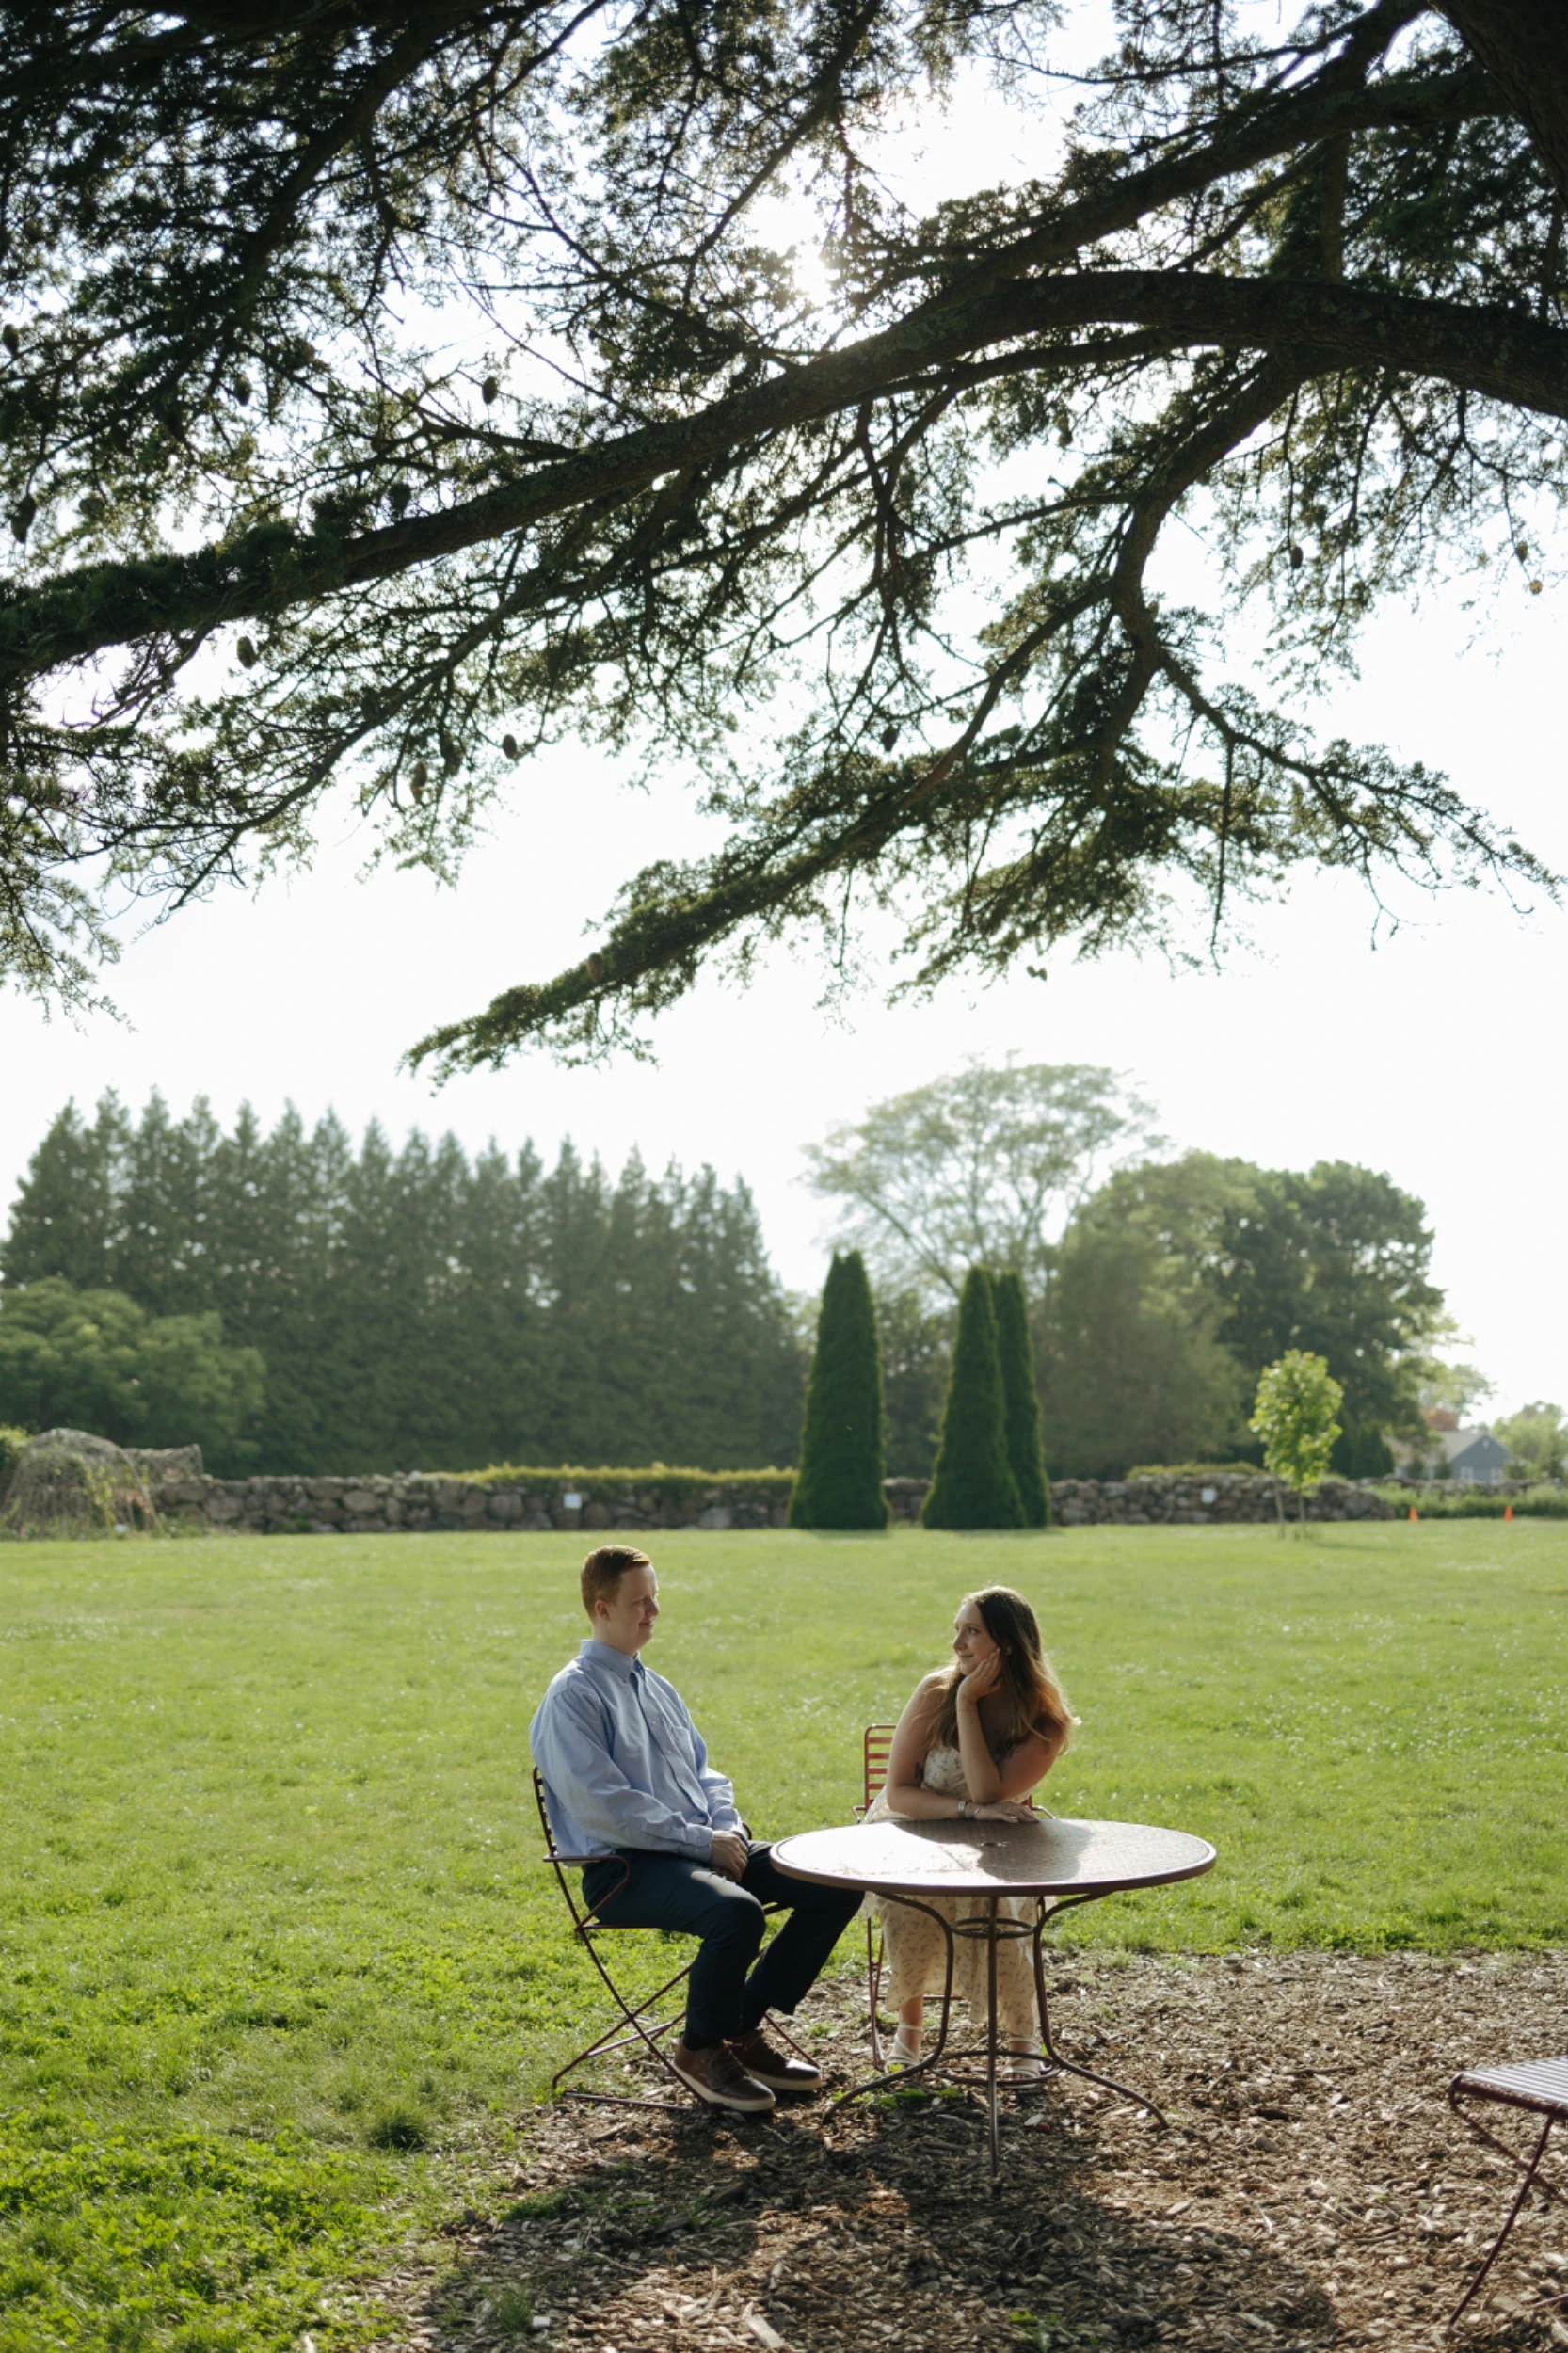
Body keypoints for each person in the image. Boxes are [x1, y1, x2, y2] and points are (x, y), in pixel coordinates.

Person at [530, 1545, 863, 2115]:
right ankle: (699, 2049)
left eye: (656, 1599)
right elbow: (604, 1809)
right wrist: (701, 1842)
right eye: (640, 1602)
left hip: (700, 1851)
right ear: (602, 1608)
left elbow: (707, 1775)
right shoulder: (573, 1696)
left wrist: (726, 1829)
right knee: (736, 1914)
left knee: (834, 1883)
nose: (653, 1612)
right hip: (624, 1870)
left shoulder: (656, 1687)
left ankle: (738, 2027)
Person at [867, 1585, 1074, 2077]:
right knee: (907, 1899)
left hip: (1000, 1843)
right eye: (957, 1630)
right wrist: (965, 1810)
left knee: (1002, 1910)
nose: (958, 1644)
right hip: (915, 1827)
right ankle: (910, 2032)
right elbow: (898, 1793)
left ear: (1006, 1645)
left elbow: (989, 1792)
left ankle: (1023, 2038)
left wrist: (968, 1705)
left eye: (972, 1632)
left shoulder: (1045, 1721)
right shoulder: (934, 1690)